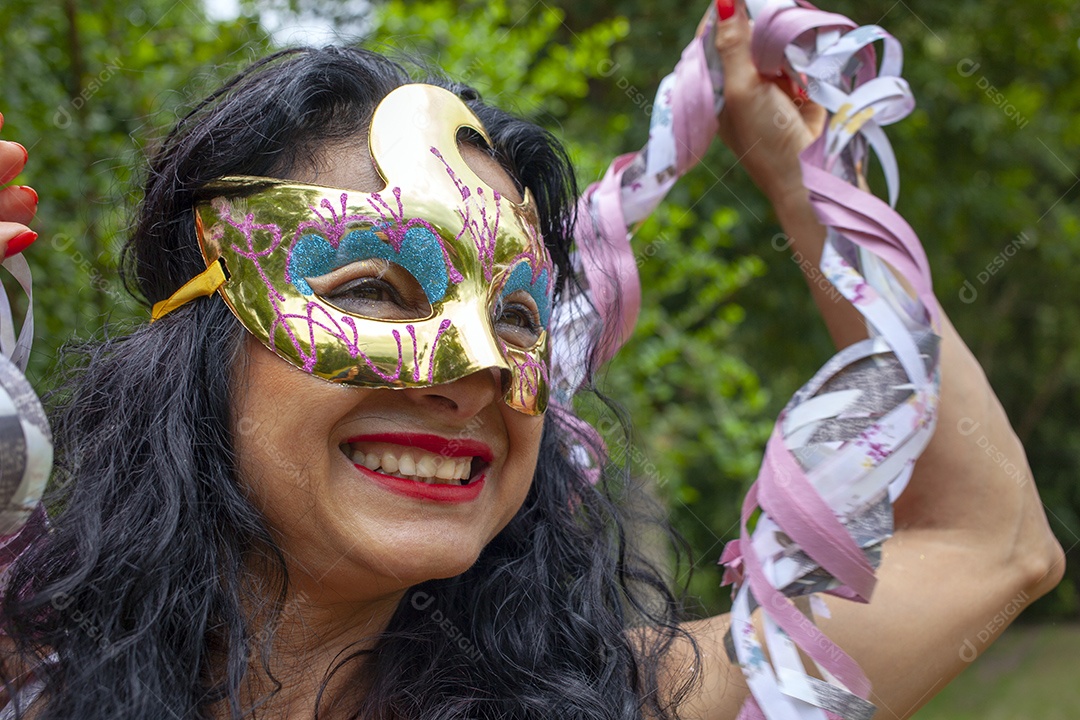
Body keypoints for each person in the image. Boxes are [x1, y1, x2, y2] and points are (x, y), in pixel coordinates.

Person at [0, 2, 1064, 718]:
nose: (476, 370)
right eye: (370, 286)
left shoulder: (612, 702)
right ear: (193, 343)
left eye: (517, 313)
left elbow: (997, 546)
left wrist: (796, 167)